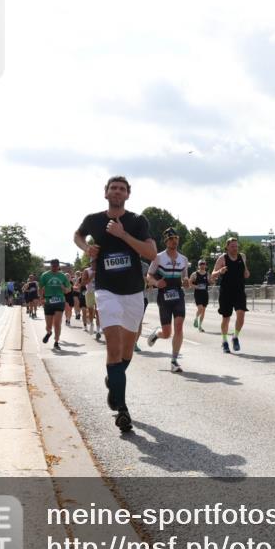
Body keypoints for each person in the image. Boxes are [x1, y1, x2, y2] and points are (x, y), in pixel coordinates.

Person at [74, 175, 156, 433]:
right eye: (113, 188)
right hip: (107, 291)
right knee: (113, 347)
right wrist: (86, 249)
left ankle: (114, 379)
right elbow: (77, 235)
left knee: (127, 352)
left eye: (122, 189)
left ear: (128, 194)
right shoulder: (94, 220)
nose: (117, 192)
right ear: (106, 193)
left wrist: (123, 235)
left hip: (133, 291)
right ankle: (122, 409)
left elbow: (151, 253)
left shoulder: (137, 221)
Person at [146, 227, 189, 373]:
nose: (174, 241)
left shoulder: (184, 259)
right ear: (166, 241)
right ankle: (157, 334)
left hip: (178, 295)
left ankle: (174, 360)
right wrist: (157, 283)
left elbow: (185, 278)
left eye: (176, 238)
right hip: (164, 296)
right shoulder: (158, 257)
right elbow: (149, 276)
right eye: (171, 239)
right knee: (167, 333)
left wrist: (186, 282)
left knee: (179, 326)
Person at [211, 238, 249, 354]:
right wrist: (220, 272)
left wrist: (247, 273)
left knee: (241, 315)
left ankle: (235, 337)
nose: (235, 248)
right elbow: (212, 275)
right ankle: (224, 341)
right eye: (232, 246)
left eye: (236, 246)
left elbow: (246, 272)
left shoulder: (242, 256)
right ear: (227, 247)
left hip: (239, 291)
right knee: (226, 318)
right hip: (226, 292)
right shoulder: (222, 258)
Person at [39, 259, 71, 351]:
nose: (55, 268)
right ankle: (49, 333)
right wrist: (41, 298)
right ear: (50, 265)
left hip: (60, 301)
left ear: (58, 266)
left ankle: (56, 342)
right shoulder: (45, 275)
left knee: (57, 323)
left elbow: (69, 289)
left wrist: (64, 288)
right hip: (48, 301)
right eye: (53, 266)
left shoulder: (62, 276)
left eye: (56, 266)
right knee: (48, 326)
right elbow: (40, 287)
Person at [189, 259, 210, 331]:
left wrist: (213, 281)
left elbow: (210, 281)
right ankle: (196, 318)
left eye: (203, 264)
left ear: (205, 265)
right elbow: (189, 283)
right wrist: (196, 286)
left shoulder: (207, 274)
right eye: (201, 264)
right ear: (198, 265)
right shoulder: (194, 274)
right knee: (200, 309)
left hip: (205, 294)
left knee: (203, 311)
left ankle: (200, 326)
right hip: (198, 294)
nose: (202, 265)